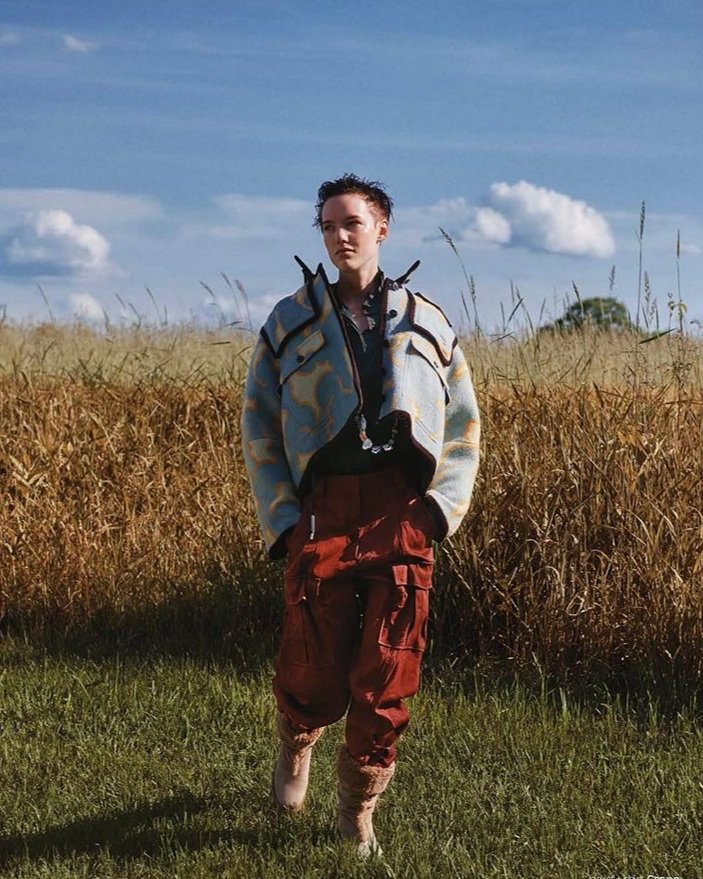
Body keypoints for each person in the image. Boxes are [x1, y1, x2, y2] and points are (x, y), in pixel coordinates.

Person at [241, 173, 480, 857]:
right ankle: (296, 739)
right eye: (327, 224)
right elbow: (257, 420)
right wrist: (283, 515)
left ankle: (356, 810)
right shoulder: (289, 324)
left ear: (381, 228)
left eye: (352, 221)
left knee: (388, 665)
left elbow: (464, 421)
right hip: (323, 508)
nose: (339, 235)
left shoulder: (426, 320)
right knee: (312, 658)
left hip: (400, 509)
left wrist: (438, 509)